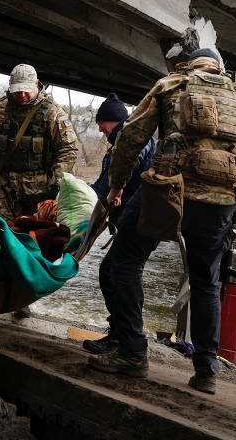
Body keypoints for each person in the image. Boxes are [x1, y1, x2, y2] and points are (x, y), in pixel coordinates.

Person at [86, 48, 236, 393]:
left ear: (190, 65)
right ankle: (206, 368)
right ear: (220, 68)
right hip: (220, 200)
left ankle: (133, 351)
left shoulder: (171, 84)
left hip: (167, 191)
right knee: (206, 280)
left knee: (125, 261)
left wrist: (117, 185)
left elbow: (133, 136)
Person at [0, 63, 78, 221]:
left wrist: (58, 186)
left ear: (36, 84)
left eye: (26, 90)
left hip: (39, 193)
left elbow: (68, 150)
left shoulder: (52, 113)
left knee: (32, 238)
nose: (22, 95)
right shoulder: (1, 108)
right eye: (17, 90)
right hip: (5, 188)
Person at [83, 93, 155, 355]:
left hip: (140, 220)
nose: (100, 130)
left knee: (117, 274)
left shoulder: (131, 137)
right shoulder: (125, 139)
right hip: (139, 219)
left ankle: (127, 343)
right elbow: (107, 181)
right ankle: (120, 336)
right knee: (113, 273)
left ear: (112, 120)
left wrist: (108, 192)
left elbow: (121, 173)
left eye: (102, 123)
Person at [89, 92, 156, 223]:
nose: (99, 129)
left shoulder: (136, 140)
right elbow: (104, 183)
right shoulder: (117, 147)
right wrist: (83, 190)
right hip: (126, 215)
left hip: (136, 218)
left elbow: (127, 164)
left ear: (115, 120)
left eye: (101, 123)